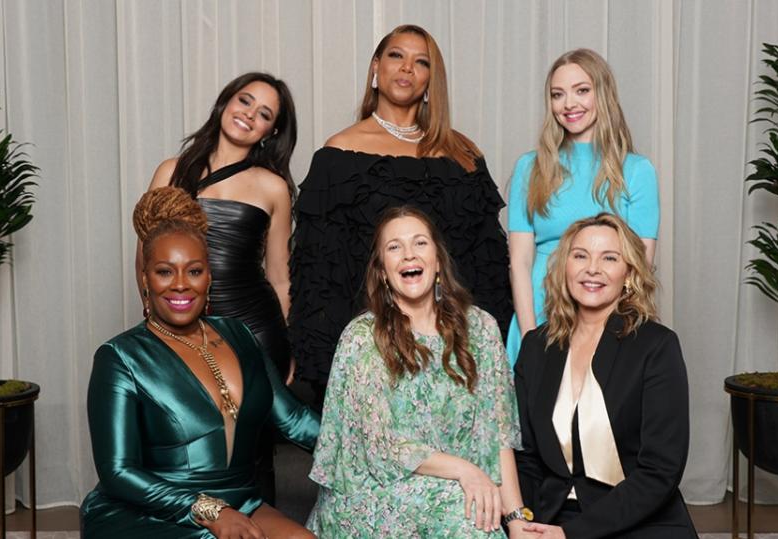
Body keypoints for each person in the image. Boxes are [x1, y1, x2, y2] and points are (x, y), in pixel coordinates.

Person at [289, 24, 512, 405]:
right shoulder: (339, 153)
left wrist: (490, 350)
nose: (407, 68)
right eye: (396, 55)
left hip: (454, 346)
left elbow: (487, 268)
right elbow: (320, 277)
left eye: (420, 62)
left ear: (430, 81)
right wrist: (332, 366)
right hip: (375, 346)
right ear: (375, 68)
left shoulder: (462, 154)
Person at [83, 187, 319, 539]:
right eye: (165, 272)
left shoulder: (239, 335)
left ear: (209, 277)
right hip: (149, 510)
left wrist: (368, 444)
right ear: (146, 279)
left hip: (240, 501)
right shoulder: (120, 357)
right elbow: (118, 473)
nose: (180, 285)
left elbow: (294, 420)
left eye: (193, 271)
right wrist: (209, 510)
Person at [306, 206, 530, 538]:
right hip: (371, 494)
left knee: (478, 519)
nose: (409, 254)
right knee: (468, 520)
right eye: (394, 247)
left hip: (458, 487)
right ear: (382, 270)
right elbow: (379, 446)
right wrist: (465, 471)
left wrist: (516, 519)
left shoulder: (481, 328)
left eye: (420, 243)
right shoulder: (362, 337)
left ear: (438, 260)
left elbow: (498, 434)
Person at [144, 72, 298, 504]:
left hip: (253, 331)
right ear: (224, 102)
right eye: (244, 101)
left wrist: (288, 345)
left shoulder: (273, 187)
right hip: (179, 326)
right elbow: (146, 260)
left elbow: (280, 275)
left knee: (252, 452)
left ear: (272, 131)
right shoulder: (172, 172)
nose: (249, 115)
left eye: (264, 113)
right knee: (184, 444)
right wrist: (152, 333)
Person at [513, 213, 697, 538]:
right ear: (564, 268)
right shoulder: (536, 347)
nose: (592, 269)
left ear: (628, 273)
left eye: (609, 258)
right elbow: (525, 458)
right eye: (580, 255)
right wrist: (524, 522)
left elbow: (660, 471)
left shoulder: (657, 347)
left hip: (639, 518)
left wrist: (572, 535)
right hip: (553, 514)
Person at [507, 49, 660, 365]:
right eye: (557, 94)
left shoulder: (636, 171)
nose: (569, 104)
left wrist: (616, 338)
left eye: (582, 90)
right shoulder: (530, 167)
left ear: (602, 94)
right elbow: (519, 262)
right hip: (538, 313)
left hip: (607, 320)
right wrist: (527, 335)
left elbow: (639, 267)